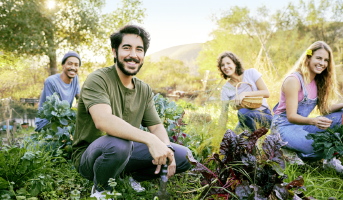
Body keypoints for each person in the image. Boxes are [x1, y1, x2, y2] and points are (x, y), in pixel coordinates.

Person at [71, 25, 191, 199]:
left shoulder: (143, 89)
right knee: (119, 144)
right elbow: (102, 120)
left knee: (184, 156)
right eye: (126, 48)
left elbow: (156, 126)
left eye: (139, 50)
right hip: (92, 156)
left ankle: (130, 178)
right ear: (114, 51)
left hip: (125, 152)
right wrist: (150, 140)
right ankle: (102, 190)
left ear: (143, 56)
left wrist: (167, 148)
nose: (133, 55)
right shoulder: (98, 79)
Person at [271, 41, 343, 172]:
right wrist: (314, 121)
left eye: (326, 60)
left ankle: (329, 161)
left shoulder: (318, 81)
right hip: (283, 126)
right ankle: (286, 151)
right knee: (319, 146)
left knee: (341, 116)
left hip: (302, 125)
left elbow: (324, 109)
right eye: (319, 58)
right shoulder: (293, 80)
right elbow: (291, 116)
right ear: (308, 58)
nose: (322, 63)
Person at [219, 51, 273, 132]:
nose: (225, 67)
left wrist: (245, 94)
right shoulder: (225, 88)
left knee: (242, 112)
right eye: (222, 65)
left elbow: (266, 93)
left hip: (264, 115)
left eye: (228, 63)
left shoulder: (251, 73)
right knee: (233, 139)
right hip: (245, 119)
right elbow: (224, 113)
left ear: (235, 64)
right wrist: (219, 132)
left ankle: (254, 141)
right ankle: (251, 139)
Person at [35, 51, 81, 131]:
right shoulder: (51, 82)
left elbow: (81, 98)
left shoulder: (75, 78)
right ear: (63, 65)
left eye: (76, 65)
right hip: (47, 123)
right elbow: (54, 113)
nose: (73, 67)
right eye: (70, 64)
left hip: (65, 121)